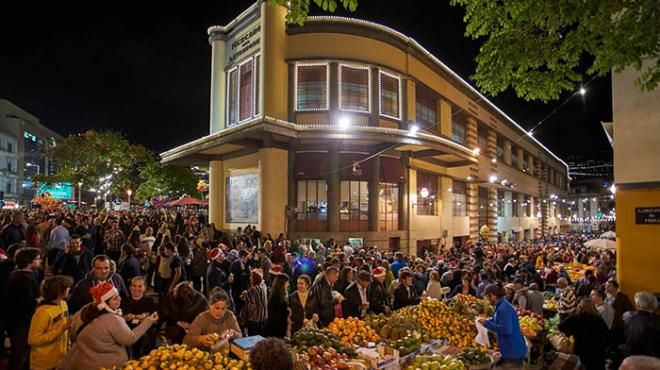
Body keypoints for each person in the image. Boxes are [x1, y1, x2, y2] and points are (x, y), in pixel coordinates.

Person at [64, 282, 158, 370]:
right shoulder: (113, 320)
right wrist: (148, 321)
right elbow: (129, 339)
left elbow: (73, 334)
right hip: (108, 365)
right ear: (105, 302)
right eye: (115, 298)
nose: (120, 299)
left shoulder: (84, 310)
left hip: (82, 362)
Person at [7, 248, 42, 370]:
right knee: (19, 351)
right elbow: (28, 303)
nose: (40, 261)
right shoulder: (24, 279)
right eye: (37, 259)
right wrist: (39, 300)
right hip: (22, 322)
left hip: (17, 319)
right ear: (29, 261)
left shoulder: (17, 274)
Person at [28, 275, 73, 370]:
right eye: (67, 288)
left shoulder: (63, 304)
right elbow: (33, 339)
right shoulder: (43, 312)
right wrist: (59, 330)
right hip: (45, 363)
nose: (69, 290)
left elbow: (65, 330)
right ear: (59, 291)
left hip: (60, 360)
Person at [479, 284, 527, 369]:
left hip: (513, 351)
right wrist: (487, 321)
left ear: (493, 295)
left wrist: (487, 324)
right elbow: (497, 320)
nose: (487, 300)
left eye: (487, 297)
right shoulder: (502, 305)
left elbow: (507, 330)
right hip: (511, 349)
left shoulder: (503, 309)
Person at [558, 299, 609, 370]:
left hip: (581, 348)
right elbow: (606, 334)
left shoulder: (575, 317)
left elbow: (561, 326)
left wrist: (570, 333)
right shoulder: (598, 319)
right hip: (597, 350)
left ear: (580, 306)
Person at [121, 276, 158, 357]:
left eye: (140, 286)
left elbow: (157, 320)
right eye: (134, 286)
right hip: (128, 332)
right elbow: (116, 320)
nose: (136, 289)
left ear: (144, 288)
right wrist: (125, 317)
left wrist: (146, 319)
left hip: (146, 334)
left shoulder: (150, 301)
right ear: (130, 287)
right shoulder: (123, 301)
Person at [621, 291, 659, 357]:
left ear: (638, 303)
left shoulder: (627, 316)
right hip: (651, 359)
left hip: (629, 356)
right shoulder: (656, 321)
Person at [240, 269, 269, 336]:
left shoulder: (254, 289)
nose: (249, 278)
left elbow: (244, 298)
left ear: (255, 278)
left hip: (255, 319)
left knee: (253, 339)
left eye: (251, 276)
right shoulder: (263, 286)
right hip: (263, 317)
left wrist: (244, 293)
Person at [265, 273, 290, 338]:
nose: (288, 284)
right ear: (282, 283)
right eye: (287, 282)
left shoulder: (275, 294)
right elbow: (279, 313)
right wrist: (288, 311)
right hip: (277, 328)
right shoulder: (277, 297)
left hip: (274, 326)